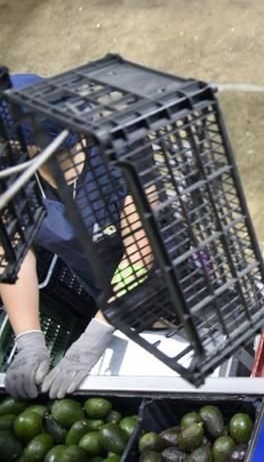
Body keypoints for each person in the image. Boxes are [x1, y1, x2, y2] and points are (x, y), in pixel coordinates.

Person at [0, 73, 153, 399]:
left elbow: (140, 255)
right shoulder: (14, 177)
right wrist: (28, 338)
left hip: (170, 289)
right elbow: (13, 254)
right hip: (98, 292)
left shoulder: (120, 151)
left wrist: (95, 334)